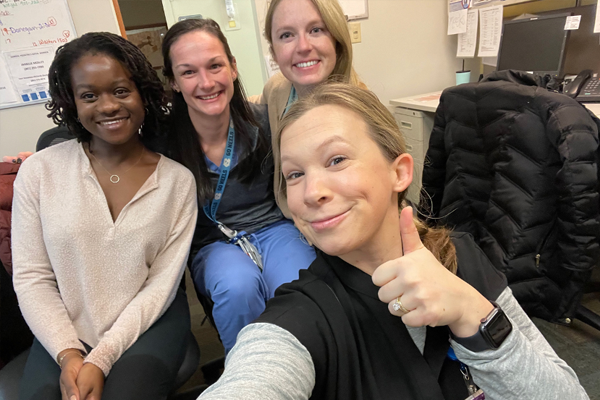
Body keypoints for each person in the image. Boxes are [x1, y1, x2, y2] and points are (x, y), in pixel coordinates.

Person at [197, 82, 590, 400]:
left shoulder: (461, 258)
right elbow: (256, 376)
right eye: (294, 174)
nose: (312, 191)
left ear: (399, 172)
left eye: (336, 160)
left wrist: (473, 314)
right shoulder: (302, 318)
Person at [12, 32, 198, 400]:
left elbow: (161, 286)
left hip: (148, 322)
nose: (108, 106)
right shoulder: (39, 173)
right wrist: (68, 354)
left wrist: (103, 358)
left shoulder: (177, 182)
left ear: (143, 92)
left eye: (120, 91)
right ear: (72, 104)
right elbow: (33, 277)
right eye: (89, 96)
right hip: (65, 327)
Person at [161, 19, 315, 354]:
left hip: (274, 227)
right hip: (213, 243)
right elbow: (104, 146)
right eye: (188, 72)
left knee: (296, 282)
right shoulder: (161, 142)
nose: (206, 82)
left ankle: (310, 371)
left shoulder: (266, 121)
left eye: (215, 65)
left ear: (232, 67)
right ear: (173, 81)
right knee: (237, 287)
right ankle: (249, 378)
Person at [255, 0, 365, 216]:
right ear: (274, 53)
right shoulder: (276, 91)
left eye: (316, 30)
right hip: (291, 223)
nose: (303, 46)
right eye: (287, 35)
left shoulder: (363, 111)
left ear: (337, 39)